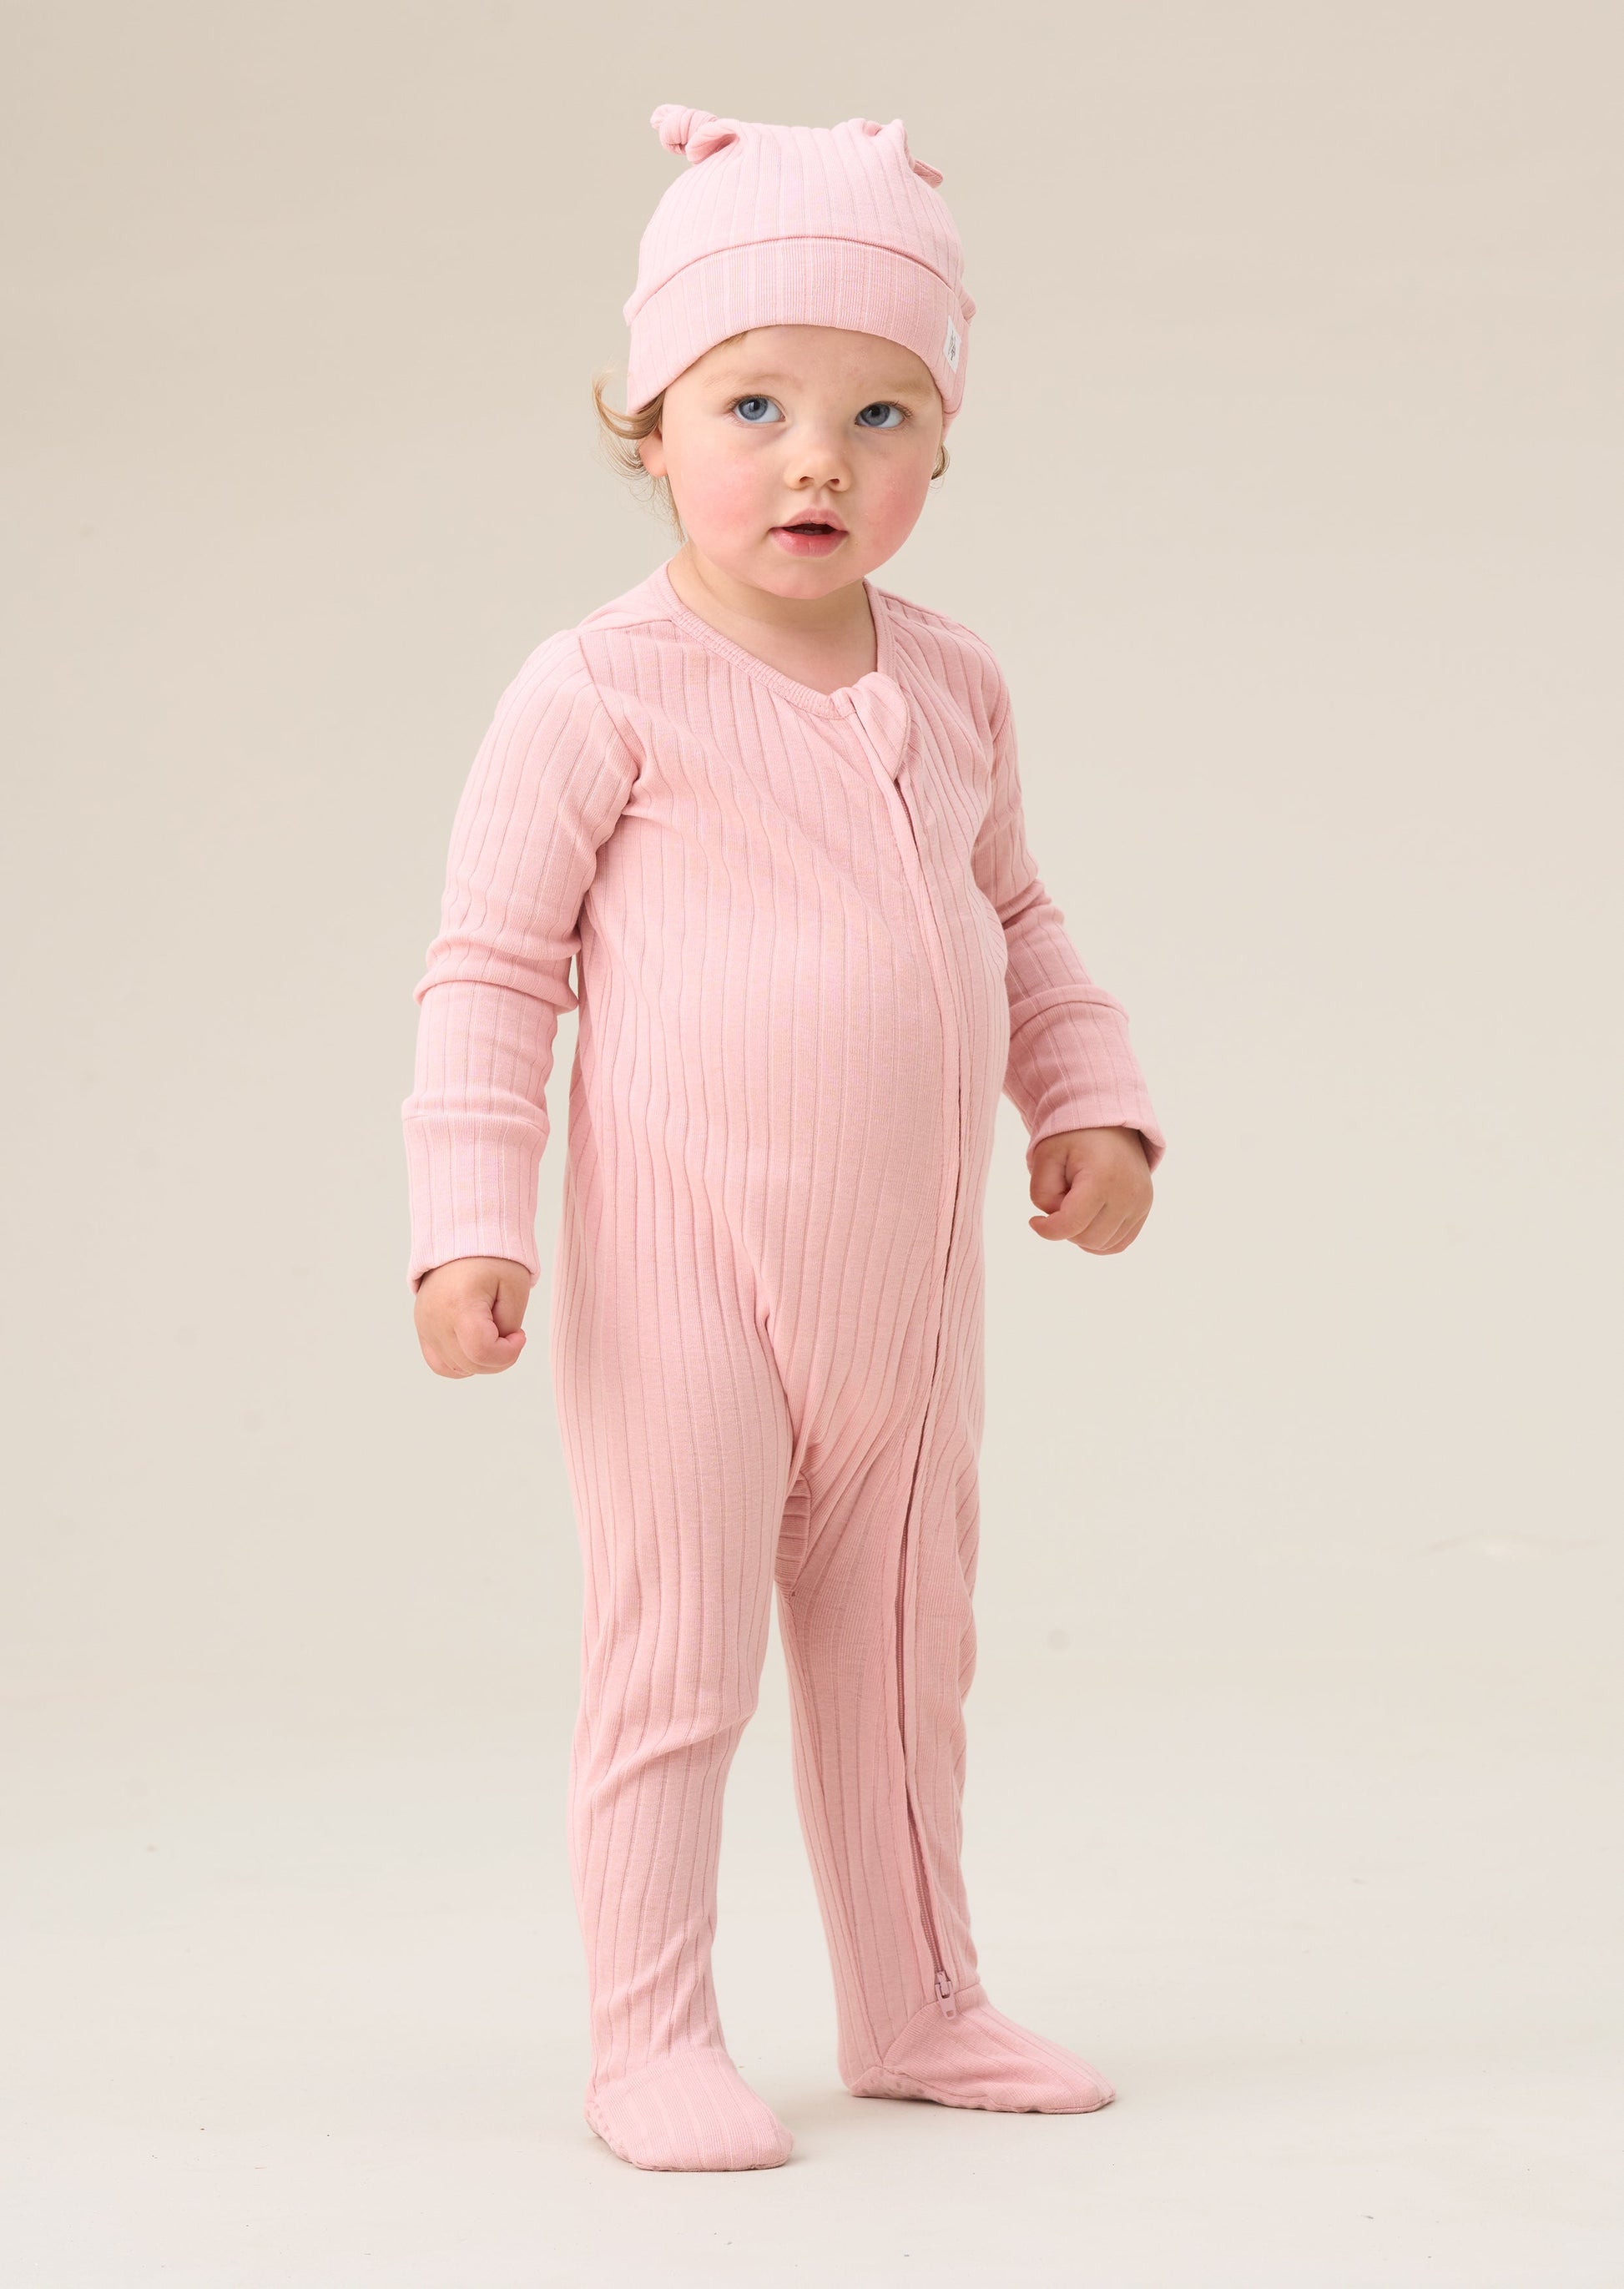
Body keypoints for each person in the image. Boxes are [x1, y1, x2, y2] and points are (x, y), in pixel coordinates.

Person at [401, 103, 1165, 2173]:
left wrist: (1088, 1095)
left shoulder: (959, 684)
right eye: (753, 403)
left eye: (879, 412)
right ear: (649, 422)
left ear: (940, 445)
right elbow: (490, 970)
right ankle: (648, 2034)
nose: (817, 458)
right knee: (677, 1663)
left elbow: (1017, 915)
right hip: (690, 1290)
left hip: (906, 1303)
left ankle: (917, 2002)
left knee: (906, 1661)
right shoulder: (599, 691)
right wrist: (469, 1220)